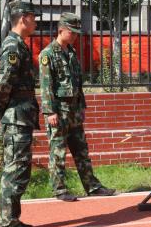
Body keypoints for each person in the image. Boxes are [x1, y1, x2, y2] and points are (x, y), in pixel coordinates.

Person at [39, 12, 115, 201]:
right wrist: (49, 111)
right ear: (61, 30)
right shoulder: (47, 54)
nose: (74, 36)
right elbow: (46, 85)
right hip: (58, 112)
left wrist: (81, 108)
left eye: (76, 33)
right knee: (58, 152)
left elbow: (77, 83)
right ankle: (60, 190)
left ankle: (92, 186)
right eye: (71, 32)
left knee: (81, 150)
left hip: (74, 111)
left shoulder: (71, 53)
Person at [0, 0, 41, 227]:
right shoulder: (13, 47)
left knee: (19, 170)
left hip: (21, 117)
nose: (36, 21)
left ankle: (12, 219)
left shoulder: (20, 45)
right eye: (33, 17)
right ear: (23, 19)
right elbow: (2, 85)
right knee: (15, 171)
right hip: (15, 119)